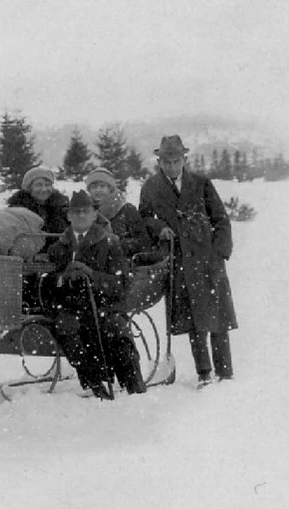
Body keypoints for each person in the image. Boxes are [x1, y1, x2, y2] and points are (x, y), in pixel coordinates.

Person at [138, 135, 237, 389]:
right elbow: (144, 219)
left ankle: (225, 374)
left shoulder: (202, 183)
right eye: (166, 162)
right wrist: (159, 226)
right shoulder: (150, 187)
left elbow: (221, 220)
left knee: (218, 317)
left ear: (184, 159)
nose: (172, 167)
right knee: (195, 321)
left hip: (207, 259)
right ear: (159, 161)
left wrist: (220, 252)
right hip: (180, 261)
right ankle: (204, 373)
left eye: (176, 161)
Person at [46, 190, 146, 399]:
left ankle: (134, 387)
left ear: (94, 215)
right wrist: (63, 279)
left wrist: (91, 276)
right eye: (76, 212)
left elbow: (121, 284)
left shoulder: (110, 243)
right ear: (68, 216)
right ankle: (94, 382)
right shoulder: (59, 248)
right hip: (72, 308)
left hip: (105, 306)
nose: (81, 216)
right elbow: (47, 285)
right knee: (68, 329)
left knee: (115, 330)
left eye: (86, 211)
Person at [85, 167, 151, 258]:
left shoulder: (127, 210)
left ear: (110, 188)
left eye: (102, 186)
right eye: (94, 186)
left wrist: (116, 244)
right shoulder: (83, 212)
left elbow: (143, 242)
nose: (98, 190)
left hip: (122, 263)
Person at [6, 166, 68, 252]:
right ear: (29, 188)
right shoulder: (17, 210)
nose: (44, 189)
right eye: (39, 185)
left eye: (47, 185)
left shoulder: (60, 207)